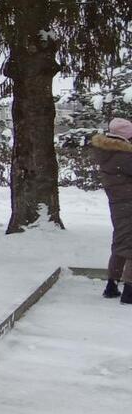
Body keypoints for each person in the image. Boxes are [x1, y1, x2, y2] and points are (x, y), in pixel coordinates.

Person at [92, 117, 132, 304]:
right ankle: (129, 291)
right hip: (129, 203)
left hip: (118, 204)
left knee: (120, 242)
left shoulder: (108, 152)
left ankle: (112, 285)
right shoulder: (124, 156)